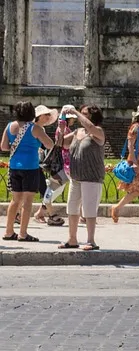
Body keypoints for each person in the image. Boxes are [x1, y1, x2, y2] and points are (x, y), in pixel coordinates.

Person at [1, 102, 55, 242]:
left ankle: (8, 231)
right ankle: (23, 233)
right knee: (27, 202)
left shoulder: (9, 126)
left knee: (15, 200)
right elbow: (50, 145)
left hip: (14, 167)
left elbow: (4, 147)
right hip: (30, 168)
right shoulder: (35, 128)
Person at [57, 105, 106, 251]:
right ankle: (72, 239)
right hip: (76, 176)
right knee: (72, 207)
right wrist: (61, 127)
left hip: (92, 177)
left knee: (89, 209)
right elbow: (60, 142)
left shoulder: (98, 132)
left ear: (93, 116)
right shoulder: (77, 132)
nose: (80, 116)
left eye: (85, 114)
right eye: (81, 113)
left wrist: (76, 112)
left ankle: (91, 241)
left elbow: (90, 127)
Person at [36, 109, 77, 227]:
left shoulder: (65, 129)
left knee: (56, 188)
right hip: (61, 163)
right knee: (54, 188)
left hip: (65, 163)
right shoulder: (62, 129)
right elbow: (59, 143)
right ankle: (44, 213)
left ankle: (43, 212)